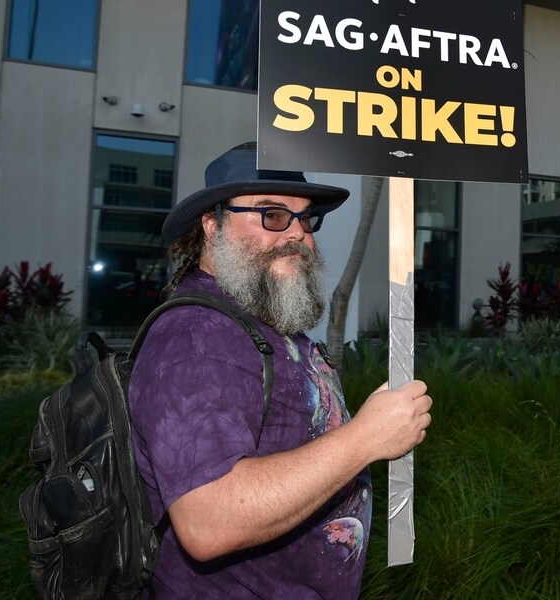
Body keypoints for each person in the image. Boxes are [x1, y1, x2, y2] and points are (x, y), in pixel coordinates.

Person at [128, 141, 432, 598]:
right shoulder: (197, 338)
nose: (297, 234)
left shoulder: (260, 317)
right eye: (272, 215)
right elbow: (209, 520)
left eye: (306, 218)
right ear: (212, 226)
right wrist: (366, 438)